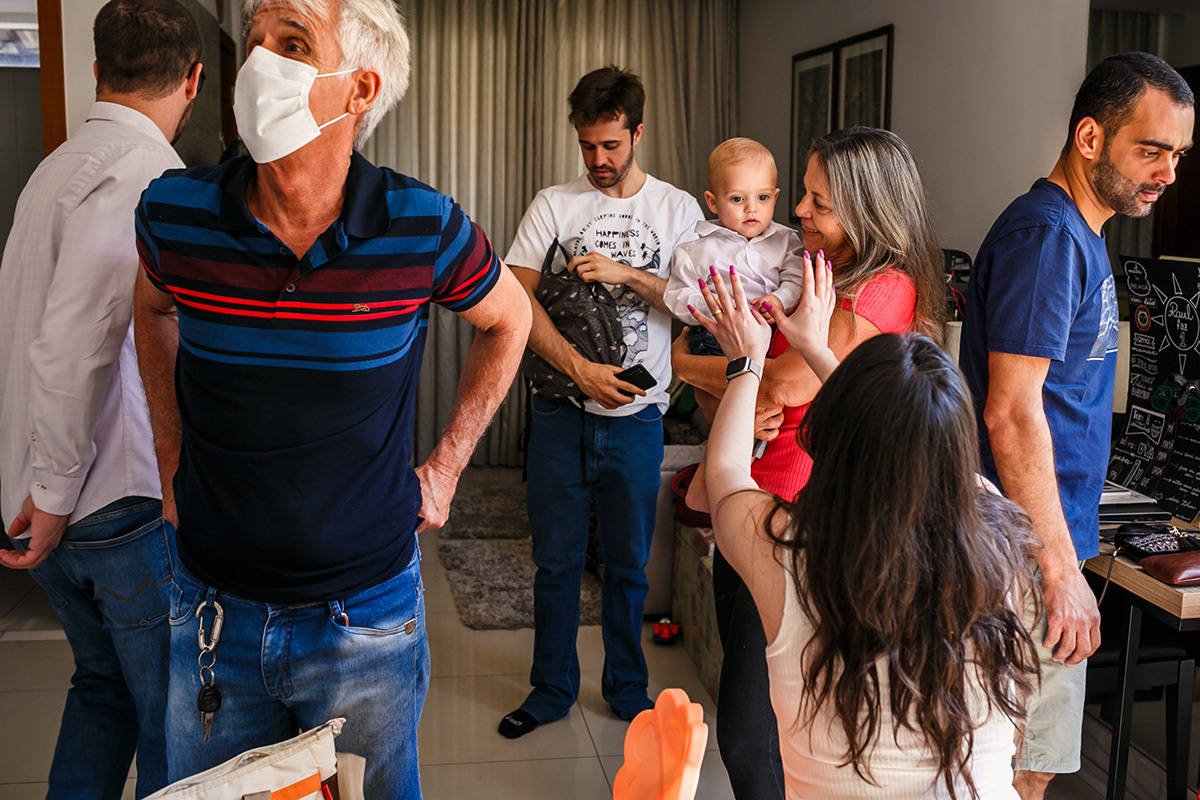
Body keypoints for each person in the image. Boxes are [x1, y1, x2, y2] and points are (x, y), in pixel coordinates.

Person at [131, 0, 531, 795]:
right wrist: (171, 460)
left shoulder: (422, 225)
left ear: (359, 89)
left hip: (368, 619)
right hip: (212, 609)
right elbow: (150, 311)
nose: (257, 65)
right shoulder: (174, 213)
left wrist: (447, 468)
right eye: (254, 43)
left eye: (293, 44)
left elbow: (509, 321)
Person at [690, 264, 1040, 799]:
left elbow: (725, 476)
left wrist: (747, 362)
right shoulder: (1000, 540)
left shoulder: (791, 557)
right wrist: (817, 348)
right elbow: (914, 445)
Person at [672, 126, 946, 799]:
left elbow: (781, 385)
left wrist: (689, 364)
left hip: (799, 516)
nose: (798, 210)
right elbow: (751, 378)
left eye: (817, 200)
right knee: (750, 716)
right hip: (756, 495)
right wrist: (717, 370)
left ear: (865, 207)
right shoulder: (818, 272)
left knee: (748, 730)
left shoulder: (881, 289)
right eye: (802, 194)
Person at [960, 52, 1194, 800]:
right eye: (1150, 150)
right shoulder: (1050, 238)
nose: (1168, 173)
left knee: (1021, 760)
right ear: (1089, 137)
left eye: (1178, 155)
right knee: (1018, 770)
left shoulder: (1080, 237)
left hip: (1038, 540)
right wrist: (1061, 569)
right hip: (1025, 553)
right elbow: (1012, 407)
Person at [0, 2, 201, 797]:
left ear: (97, 71)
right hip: (108, 502)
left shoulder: (53, 169)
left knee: (102, 688)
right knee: (171, 714)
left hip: (45, 492)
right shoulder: (146, 179)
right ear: (193, 81)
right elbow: (74, 343)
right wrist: (52, 495)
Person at [498, 65, 703, 739]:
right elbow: (513, 295)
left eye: (611, 145)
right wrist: (580, 369)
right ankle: (551, 689)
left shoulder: (677, 212)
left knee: (628, 568)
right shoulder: (553, 204)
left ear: (637, 133)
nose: (597, 161)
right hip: (561, 413)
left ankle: (627, 689)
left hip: (639, 420)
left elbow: (698, 301)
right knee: (554, 564)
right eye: (587, 146)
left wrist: (625, 274)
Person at [662, 137, 805, 356]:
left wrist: (779, 300)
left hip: (772, 330)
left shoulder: (786, 241)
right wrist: (712, 307)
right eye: (737, 199)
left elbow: (797, 281)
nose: (751, 208)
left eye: (762, 197)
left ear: (775, 198)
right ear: (713, 202)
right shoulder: (695, 250)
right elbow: (676, 295)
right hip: (717, 336)